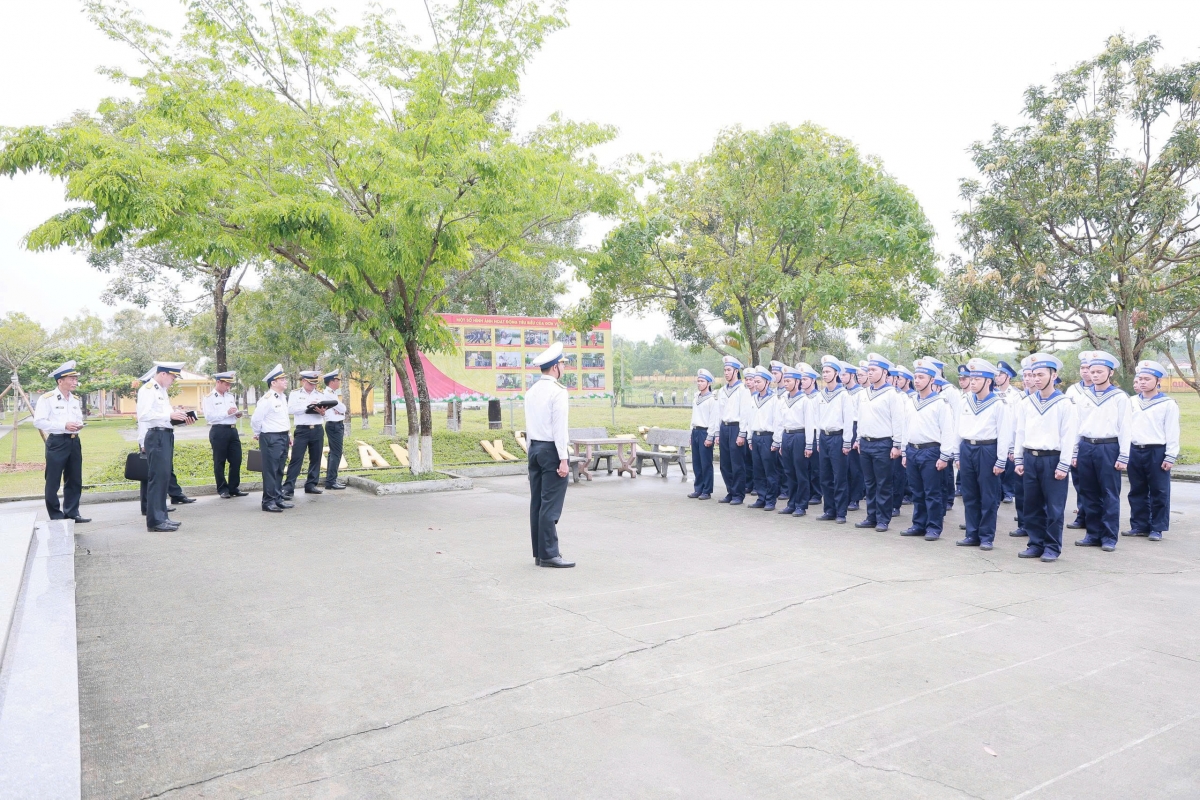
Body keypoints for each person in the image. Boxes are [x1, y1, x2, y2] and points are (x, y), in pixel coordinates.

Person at [1013, 353, 1079, 562]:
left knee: (1054, 507)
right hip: (1031, 458)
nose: (1036, 379)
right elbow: (1020, 432)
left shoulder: (1064, 403)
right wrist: (1018, 458)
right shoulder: (1027, 402)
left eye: (1041, 374)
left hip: (1053, 459)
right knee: (1031, 504)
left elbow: (1069, 436)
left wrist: (1064, 464)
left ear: (1054, 375)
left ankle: (1052, 546)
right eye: (1033, 375)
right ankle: (1035, 543)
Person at [1072, 351, 1130, 552]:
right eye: (1091, 371)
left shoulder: (1119, 397)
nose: (1094, 375)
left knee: (1109, 493)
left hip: (1109, 447)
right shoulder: (1083, 397)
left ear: (1110, 372)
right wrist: (1074, 452)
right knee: (1088, 492)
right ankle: (1093, 534)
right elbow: (1076, 425)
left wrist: (1124, 455)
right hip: (1086, 446)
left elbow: (1125, 427)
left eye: (1099, 371)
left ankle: (1109, 537)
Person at [953, 359, 1013, 550]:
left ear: (988, 381)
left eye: (977, 379)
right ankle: (972, 534)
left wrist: (1001, 460)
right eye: (971, 378)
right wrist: (956, 454)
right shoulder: (965, 401)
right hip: (967, 448)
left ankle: (986, 536)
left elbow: (1004, 434)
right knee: (969, 494)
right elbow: (957, 428)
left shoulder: (998, 404)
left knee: (988, 495)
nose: (972, 382)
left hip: (987, 450)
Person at [526, 341, 574, 568]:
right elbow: (559, 429)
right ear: (555, 367)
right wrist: (563, 459)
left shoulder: (531, 391)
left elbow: (529, 425)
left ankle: (539, 553)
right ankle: (549, 554)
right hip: (551, 451)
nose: (564, 368)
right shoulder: (558, 392)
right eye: (563, 364)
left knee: (537, 503)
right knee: (550, 505)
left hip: (534, 448)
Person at [1125, 360, 1178, 542]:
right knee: (1137, 489)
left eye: (1147, 379)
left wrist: (1170, 455)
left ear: (1158, 381)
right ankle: (1139, 525)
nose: (1142, 382)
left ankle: (1157, 527)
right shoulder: (1131, 402)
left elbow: (1172, 431)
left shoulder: (1167, 404)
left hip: (1157, 451)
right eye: (1140, 378)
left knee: (1159, 491)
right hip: (1134, 449)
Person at [901, 359, 954, 541]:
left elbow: (948, 430)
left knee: (933, 492)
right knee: (917, 491)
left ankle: (933, 527)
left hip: (931, 451)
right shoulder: (910, 401)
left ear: (932, 380)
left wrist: (945, 456)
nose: (916, 380)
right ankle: (918, 524)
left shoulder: (941, 402)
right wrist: (903, 451)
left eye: (921, 377)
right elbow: (904, 427)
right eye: (915, 377)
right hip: (912, 450)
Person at [852, 354, 905, 532]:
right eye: (869, 370)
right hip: (866, 443)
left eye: (874, 370)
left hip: (883, 443)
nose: (870, 373)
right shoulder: (864, 393)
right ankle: (871, 516)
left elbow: (898, 420)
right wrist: (858, 439)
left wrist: (897, 444)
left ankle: (883, 519)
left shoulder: (892, 394)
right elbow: (860, 417)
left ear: (884, 372)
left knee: (883, 483)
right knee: (870, 483)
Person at [137, 361, 192, 532]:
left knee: (164, 478)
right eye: (173, 377)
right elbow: (144, 415)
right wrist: (169, 414)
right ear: (163, 374)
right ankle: (155, 521)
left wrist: (179, 418)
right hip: (156, 436)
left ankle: (162, 516)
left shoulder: (161, 391)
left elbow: (164, 417)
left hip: (165, 435)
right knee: (157, 478)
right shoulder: (148, 390)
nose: (173, 380)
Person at [33, 360, 90, 523]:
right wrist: (63, 425)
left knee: (74, 478)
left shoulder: (75, 399)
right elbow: (39, 422)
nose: (75, 381)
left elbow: (77, 418)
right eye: (71, 379)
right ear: (60, 381)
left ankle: (72, 512)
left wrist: (78, 426)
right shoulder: (47, 399)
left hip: (74, 441)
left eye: (75, 378)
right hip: (57, 442)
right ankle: (56, 515)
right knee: (53, 479)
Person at [816, 355, 855, 524]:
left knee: (839, 476)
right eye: (823, 371)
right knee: (825, 476)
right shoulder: (821, 395)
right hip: (824, 437)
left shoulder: (844, 395)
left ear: (836, 373)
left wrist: (847, 442)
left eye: (828, 371)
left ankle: (841, 512)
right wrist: (818, 440)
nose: (824, 374)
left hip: (838, 438)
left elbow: (848, 420)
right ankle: (829, 510)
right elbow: (818, 419)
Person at [711, 355, 753, 505]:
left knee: (737, 463)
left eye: (729, 370)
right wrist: (717, 432)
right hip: (725, 427)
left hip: (736, 427)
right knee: (725, 463)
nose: (726, 373)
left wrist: (742, 433)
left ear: (736, 371)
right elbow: (719, 413)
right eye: (725, 370)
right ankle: (730, 491)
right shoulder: (722, 391)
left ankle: (738, 494)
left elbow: (745, 413)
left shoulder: (743, 390)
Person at [252, 365, 294, 513]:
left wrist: (288, 435)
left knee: (279, 470)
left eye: (284, 378)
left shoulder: (283, 397)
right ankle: (268, 501)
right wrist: (258, 433)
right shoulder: (267, 399)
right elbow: (256, 419)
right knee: (270, 470)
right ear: (273, 383)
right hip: (270, 436)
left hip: (282, 436)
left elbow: (283, 418)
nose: (285, 381)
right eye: (281, 379)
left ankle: (277, 498)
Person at [283, 369, 328, 498]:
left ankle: (311, 484)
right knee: (297, 459)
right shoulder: (295, 394)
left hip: (317, 428)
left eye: (315, 383)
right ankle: (288, 487)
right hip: (302, 429)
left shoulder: (320, 394)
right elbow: (290, 409)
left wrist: (322, 411)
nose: (313, 386)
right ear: (303, 381)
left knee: (316, 458)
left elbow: (326, 412)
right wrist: (308, 406)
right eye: (310, 383)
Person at [202, 371, 247, 499]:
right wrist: (226, 413)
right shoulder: (209, 397)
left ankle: (234, 487)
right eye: (226, 384)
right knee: (219, 461)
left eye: (229, 384)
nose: (228, 387)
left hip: (232, 430)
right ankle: (222, 488)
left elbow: (232, 411)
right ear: (218, 382)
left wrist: (236, 413)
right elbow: (209, 417)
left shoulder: (230, 396)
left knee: (236, 459)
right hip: (219, 430)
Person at [1065, 352, 1094, 531]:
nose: (1086, 372)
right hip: (1076, 440)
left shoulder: (1103, 391)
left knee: (1094, 485)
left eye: (1089, 368)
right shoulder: (1072, 390)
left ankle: (1093, 517)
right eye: (1083, 368)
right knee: (1079, 481)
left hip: (1095, 440)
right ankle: (1081, 514)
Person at [747, 366, 782, 510]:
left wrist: (776, 440)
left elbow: (778, 421)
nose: (756, 384)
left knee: (770, 470)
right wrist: (750, 438)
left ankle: (770, 500)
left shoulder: (774, 399)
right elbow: (750, 419)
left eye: (759, 381)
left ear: (767, 382)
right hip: (756, 436)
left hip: (768, 437)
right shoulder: (754, 398)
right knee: (758, 469)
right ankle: (761, 497)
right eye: (754, 381)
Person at [690, 368, 718, 500]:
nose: (699, 383)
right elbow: (693, 417)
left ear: (708, 383)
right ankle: (698, 488)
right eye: (698, 381)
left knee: (706, 462)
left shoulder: (712, 399)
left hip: (705, 432)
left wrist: (710, 436)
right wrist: (691, 433)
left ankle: (707, 490)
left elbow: (713, 419)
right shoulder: (696, 397)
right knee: (696, 462)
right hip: (695, 431)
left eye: (702, 381)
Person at [994, 360, 1020, 503]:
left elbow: (1016, 419)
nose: (997, 378)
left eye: (1000, 375)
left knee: (1009, 466)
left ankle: (1008, 492)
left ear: (1008, 376)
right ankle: (999, 492)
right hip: (996, 434)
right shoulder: (992, 393)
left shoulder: (1016, 395)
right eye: (996, 375)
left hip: (1010, 433)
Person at [891, 365, 915, 513]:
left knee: (897, 473)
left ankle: (896, 503)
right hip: (888, 437)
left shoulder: (907, 397)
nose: (897, 381)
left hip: (900, 438)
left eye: (900, 378)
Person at [842, 361, 865, 511]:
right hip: (843, 428)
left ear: (852, 375)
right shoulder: (841, 392)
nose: (841, 377)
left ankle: (855, 498)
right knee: (843, 466)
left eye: (844, 374)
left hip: (856, 427)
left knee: (854, 466)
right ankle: (845, 496)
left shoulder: (860, 392)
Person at [321, 369, 349, 490]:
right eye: (337, 380)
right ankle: (331, 481)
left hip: (336, 424)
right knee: (336, 453)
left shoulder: (332, 393)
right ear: (332, 381)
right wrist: (339, 409)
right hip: (334, 425)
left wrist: (340, 409)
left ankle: (331, 479)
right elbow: (343, 409)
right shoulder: (328, 394)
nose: (339, 382)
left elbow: (342, 409)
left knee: (334, 453)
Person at [801, 364, 823, 508]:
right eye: (801, 379)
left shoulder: (818, 397)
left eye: (805, 379)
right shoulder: (801, 397)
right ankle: (807, 492)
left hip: (815, 432)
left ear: (813, 380)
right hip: (802, 432)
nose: (802, 382)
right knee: (804, 465)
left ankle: (816, 493)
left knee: (815, 466)